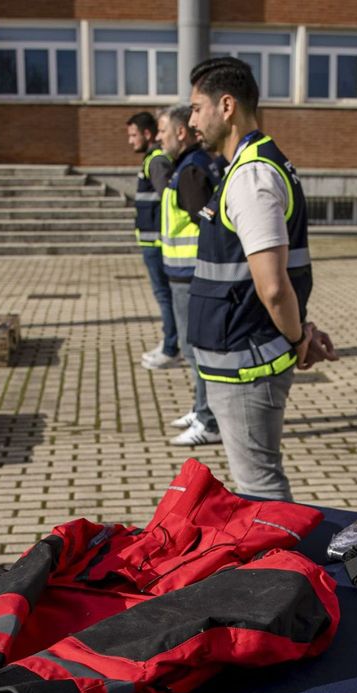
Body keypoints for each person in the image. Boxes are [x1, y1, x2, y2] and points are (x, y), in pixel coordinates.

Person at [187, 57, 337, 501]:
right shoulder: (249, 166)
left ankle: (286, 570)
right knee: (256, 485)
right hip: (240, 359)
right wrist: (301, 331)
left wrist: (297, 340)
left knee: (261, 490)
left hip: (247, 366)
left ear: (226, 106)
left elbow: (272, 286)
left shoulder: (252, 175)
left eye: (197, 108)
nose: (192, 120)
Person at [157, 104, 221, 446]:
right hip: (184, 272)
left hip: (191, 273)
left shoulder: (192, 170)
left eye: (163, 132)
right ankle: (201, 409)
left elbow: (207, 224)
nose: (158, 138)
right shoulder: (188, 165)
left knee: (194, 350)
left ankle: (209, 421)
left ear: (181, 132)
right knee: (193, 348)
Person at [127, 111, 179, 369]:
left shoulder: (156, 161)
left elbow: (168, 200)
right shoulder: (152, 160)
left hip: (157, 244)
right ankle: (169, 341)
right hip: (151, 242)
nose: (130, 140)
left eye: (133, 135)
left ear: (147, 134)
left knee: (165, 295)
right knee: (164, 295)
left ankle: (171, 347)